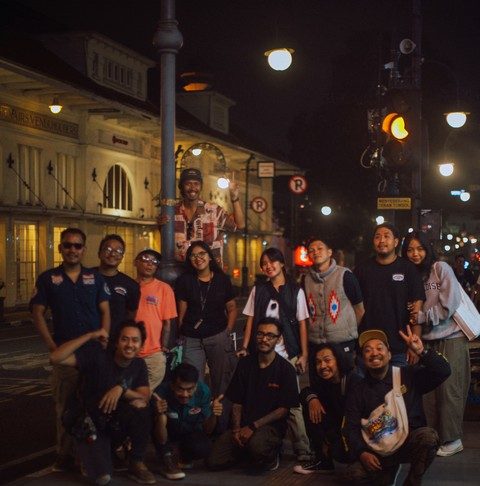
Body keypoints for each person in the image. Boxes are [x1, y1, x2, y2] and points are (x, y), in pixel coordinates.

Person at [30, 227, 110, 472]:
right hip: (66, 353)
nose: (72, 250)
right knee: (65, 407)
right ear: (60, 248)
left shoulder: (95, 278)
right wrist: (51, 345)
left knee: (95, 405)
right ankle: (64, 455)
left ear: (84, 250)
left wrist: (105, 336)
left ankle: (92, 455)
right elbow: (37, 313)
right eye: (68, 245)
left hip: (93, 353)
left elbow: (105, 310)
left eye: (77, 245)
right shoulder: (48, 279)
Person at [49, 320, 155, 485]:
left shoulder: (138, 364)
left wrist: (122, 389)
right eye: (124, 339)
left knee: (142, 407)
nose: (130, 345)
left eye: (135, 340)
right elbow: (55, 357)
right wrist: (89, 336)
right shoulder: (98, 357)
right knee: (102, 478)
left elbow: (144, 396)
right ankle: (87, 452)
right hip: (89, 422)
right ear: (116, 342)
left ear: (141, 345)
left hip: (113, 421)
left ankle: (136, 461)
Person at [343, 327, 451, 486]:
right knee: (353, 475)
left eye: (379, 348)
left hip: (407, 443)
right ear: (363, 359)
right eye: (368, 350)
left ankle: (412, 482)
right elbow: (350, 428)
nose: (374, 353)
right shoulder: (357, 390)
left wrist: (421, 351)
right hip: (378, 449)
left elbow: (443, 371)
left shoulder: (408, 375)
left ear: (389, 354)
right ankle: (388, 473)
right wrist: (362, 453)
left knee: (428, 437)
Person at [239, 247, 311, 460]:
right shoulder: (258, 290)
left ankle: (303, 448)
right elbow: (250, 320)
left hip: (287, 353)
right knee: (260, 397)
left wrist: (304, 354)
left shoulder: (295, 291)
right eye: (264, 264)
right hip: (261, 353)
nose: (268, 266)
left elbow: (302, 324)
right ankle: (264, 441)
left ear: (282, 264)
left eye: (272, 262)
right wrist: (245, 346)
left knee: (292, 402)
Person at [402, 231, 469, 457]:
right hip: (426, 341)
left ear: (427, 250)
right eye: (410, 250)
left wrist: (423, 317)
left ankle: (453, 439)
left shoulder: (440, 268)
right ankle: (433, 437)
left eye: (420, 249)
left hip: (451, 337)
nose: (415, 254)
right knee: (429, 393)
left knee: (450, 390)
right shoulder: (411, 276)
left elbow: (450, 303)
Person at [207, 318, 300, 472]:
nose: (264, 339)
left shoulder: (286, 369)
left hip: (269, 427)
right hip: (244, 425)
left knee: (257, 448)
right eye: (260, 334)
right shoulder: (245, 364)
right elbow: (236, 401)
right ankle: (246, 451)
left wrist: (253, 426)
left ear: (278, 339)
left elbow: (283, 410)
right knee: (213, 461)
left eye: (270, 335)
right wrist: (236, 429)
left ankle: (271, 454)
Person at [175, 240, 237, 429]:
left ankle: (221, 425)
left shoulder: (222, 280)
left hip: (218, 336)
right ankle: (197, 426)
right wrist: (182, 333)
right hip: (192, 339)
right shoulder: (185, 281)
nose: (198, 258)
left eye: (202, 253)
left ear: (210, 256)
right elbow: (181, 312)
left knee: (222, 382)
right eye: (193, 255)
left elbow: (232, 308)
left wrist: (227, 331)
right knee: (194, 383)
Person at [354, 223, 425, 366]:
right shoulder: (361, 270)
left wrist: (414, 345)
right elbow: (354, 308)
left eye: (387, 236)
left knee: (399, 381)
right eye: (377, 237)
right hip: (368, 347)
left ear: (396, 242)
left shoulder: (408, 269)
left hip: (400, 348)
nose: (382, 240)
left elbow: (417, 311)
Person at [293, 343, 362, 475]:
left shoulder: (353, 381)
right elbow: (305, 392)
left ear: (338, 360)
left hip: (355, 434)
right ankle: (322, 460)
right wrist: (312, 399)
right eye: (318, 362)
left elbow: (352, 419)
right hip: (336, 431)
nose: (322, 366)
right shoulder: (324, 382)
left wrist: (330, 441)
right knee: (310, 404)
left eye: (327, 360)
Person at [304, 238, 364, 380]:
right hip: (316, 344)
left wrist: (349, 330)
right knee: (319, 385)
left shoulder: (345, 275)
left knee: (346, 384)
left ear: (330, 252)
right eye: (311, 250)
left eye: (320, 248)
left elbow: (359, 309)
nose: (315, 252)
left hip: (343, 344)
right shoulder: (306, 279)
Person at [157, 167, 245, 265]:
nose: (192, 188)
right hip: (181, 270)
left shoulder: (213, 211)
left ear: (201, 187)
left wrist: (234, 198)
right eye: (188, 184)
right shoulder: (172, 212)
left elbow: (239, 225)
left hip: (210, 271)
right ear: (181, 187)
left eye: (196, 184)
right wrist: (161, 224)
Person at [152, 363, 224, 480]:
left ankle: (182, 456)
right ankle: (166, 459)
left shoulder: (203, 392)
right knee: (156, 420)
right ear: (172, 385)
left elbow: (207, 430)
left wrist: (214, 415)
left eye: (189, 389)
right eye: (180, 389)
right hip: (167, 434)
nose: (185, 395)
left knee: (203, 447)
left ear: (196, 386)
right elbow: (161, 438)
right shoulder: (161, 393)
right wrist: (160, 415)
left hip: (190, 432)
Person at [134, 249, 177, 390]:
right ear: (136, 262)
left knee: (146, 392)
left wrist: (163, 346)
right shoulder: (129, 286)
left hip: (154, 354)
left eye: (154, 262)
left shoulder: (164, 289)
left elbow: (167, 323)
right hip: (130, 351)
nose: (150, 264)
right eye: (146, 259)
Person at [96, 234, 140, 340]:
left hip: (115, 341)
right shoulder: (85, 277)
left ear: (122, 257)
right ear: (99, 253)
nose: (113, 254)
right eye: (108, 249)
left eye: (118, 251)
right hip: (87, 338)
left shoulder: (131, 285)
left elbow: (131, 315)